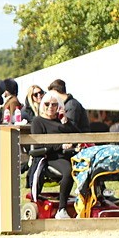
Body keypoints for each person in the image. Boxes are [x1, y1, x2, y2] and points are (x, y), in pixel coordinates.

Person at [29, 91, 76, 219]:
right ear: (42, 105)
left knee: (89, 167)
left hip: (67, 154)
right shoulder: (38, 121)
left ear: (59, 106)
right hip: (49, 157)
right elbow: (40, 146)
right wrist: (61, 146)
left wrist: (65, 121)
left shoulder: (61, 121)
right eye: (47, 104)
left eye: (54, 104)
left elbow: (77, 134)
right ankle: (62, 209)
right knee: (68, 171)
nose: (50, 107)